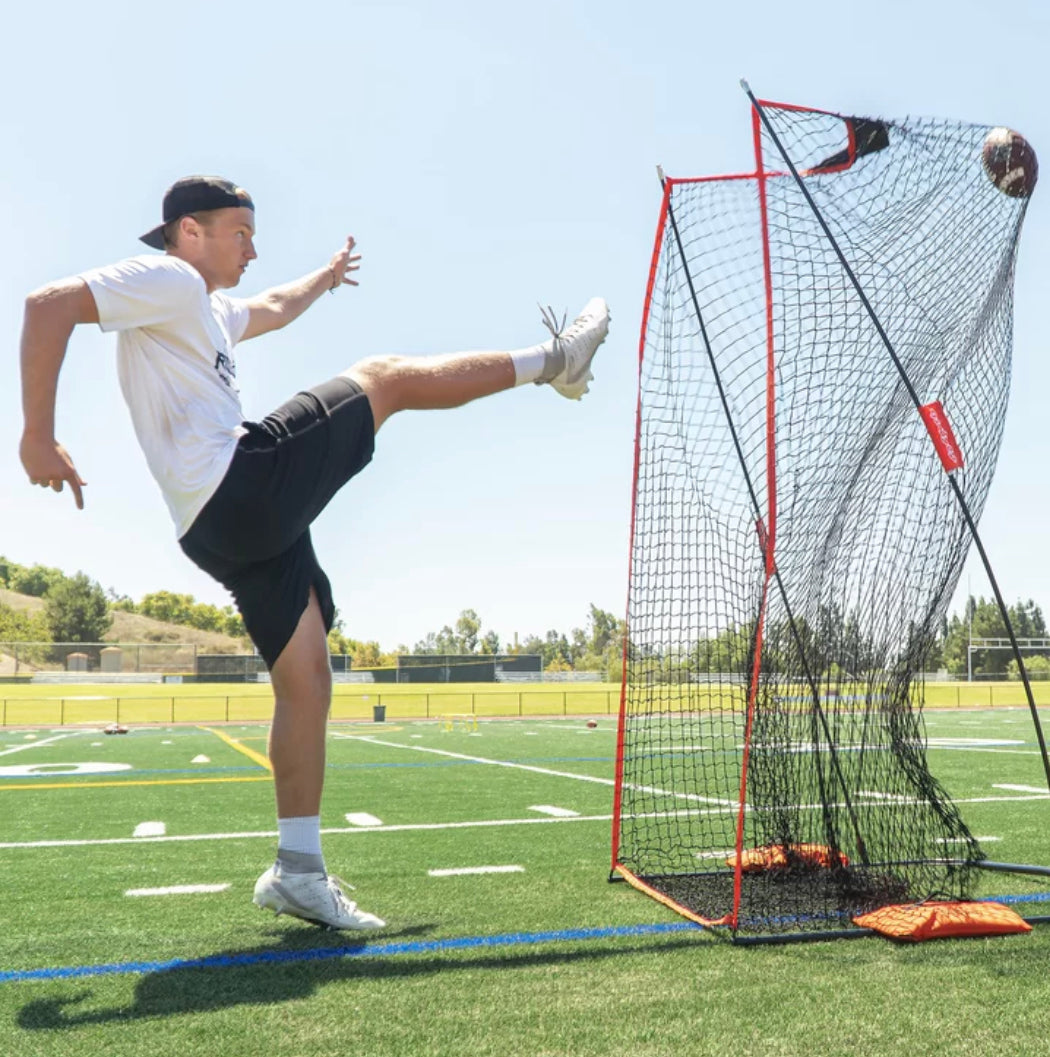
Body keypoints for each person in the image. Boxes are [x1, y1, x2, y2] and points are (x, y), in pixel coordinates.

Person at [19, 175, 610, 930]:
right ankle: (556, 360)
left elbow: (272, 307)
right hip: (239, 485)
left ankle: (298, 869)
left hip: (217, 527)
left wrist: (325, 280)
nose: (253, 248)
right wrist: (37, 433)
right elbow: (49, 304)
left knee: (307, 680)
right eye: (240, 233)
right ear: (189, 232)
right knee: (386, 378)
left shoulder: (205, 307)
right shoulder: (166, 276)